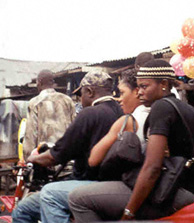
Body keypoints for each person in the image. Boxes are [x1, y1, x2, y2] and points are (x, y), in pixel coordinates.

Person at [68, 59, 194, 222]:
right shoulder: (184, 108)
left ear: (163, 84)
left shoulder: (160, 108)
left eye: (144, 86)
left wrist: (129, 212)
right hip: (191, 191)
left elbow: (152, 168)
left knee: (78, 199)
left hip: (170, 192)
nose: (139, 91)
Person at [11, 70, 123, 223]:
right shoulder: (121, 112)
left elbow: (56, 154)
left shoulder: (89, 113)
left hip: (88, 182)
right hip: (112, 185)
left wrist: (31, 157)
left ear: (89, 91)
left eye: (81, 94)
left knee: (24, 209)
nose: (80, 98)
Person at [89, 70, 150, 169]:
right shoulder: (156, 113)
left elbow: (93, 160)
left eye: (122, 93)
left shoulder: (127, 121)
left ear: (136, 92)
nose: (119, 99)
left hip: (129, 180)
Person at [23, 69, 76, 159]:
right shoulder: (67, 100)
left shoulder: (35, 102)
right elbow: (75, 128)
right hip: (66, 158)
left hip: (45, 159)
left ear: (39, 82)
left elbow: (31, 135)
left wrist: (28, 158)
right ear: (53, 82)